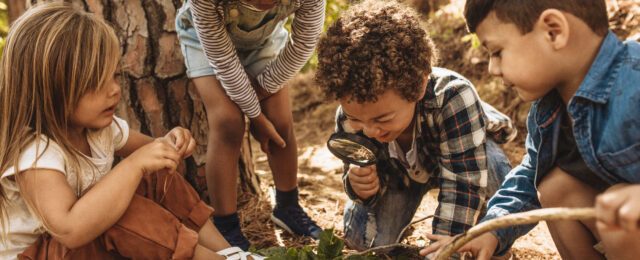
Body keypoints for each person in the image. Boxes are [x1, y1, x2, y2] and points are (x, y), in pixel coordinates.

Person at [0, 3, 262, 259]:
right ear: (48, 92)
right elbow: (69, 230)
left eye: (114, 76)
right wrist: (133, 165)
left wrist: (171, 143)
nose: (114, 89)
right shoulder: (37, 155)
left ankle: (227, 251)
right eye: (95, 83)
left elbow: (155, 153)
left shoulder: (98, 130)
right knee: (121, 212)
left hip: (85, 246)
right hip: (45, 252)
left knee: (154, 173)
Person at [422, 1, 640, 259]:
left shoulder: (633, 80)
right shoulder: (548, 111)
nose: (492, 68)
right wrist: (490, 230)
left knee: (621, 202)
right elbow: (528, 176)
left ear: (553, 31)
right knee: (554, 187)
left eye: (497, 51)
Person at [314, 0, 516, 252]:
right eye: (357, 119)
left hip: (462, 160)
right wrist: (360, 189)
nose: (369, 131)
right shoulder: (350, 115)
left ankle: (490, 235)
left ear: (419, 86)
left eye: (382, 119)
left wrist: (444, 253)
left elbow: (462, 185)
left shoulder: (453, 96)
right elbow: (358, 179)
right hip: (401, 177)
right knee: (363, 244)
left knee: (493, 167)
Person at [175, 0, 325, 249]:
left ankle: (288, 206)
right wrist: (255, 116)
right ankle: (226, 224)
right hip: (204, 41)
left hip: (263, 40)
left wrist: (261, 95)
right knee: (228, 123)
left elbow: (304, 43)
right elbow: (223, 59)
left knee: (279, 121)